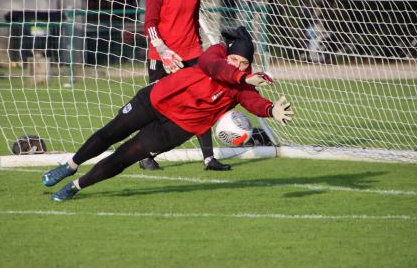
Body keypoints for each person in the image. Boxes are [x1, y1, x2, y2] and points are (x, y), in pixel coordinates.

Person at [41, 26, 294, 201]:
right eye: (236, 59)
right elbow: (214, 67)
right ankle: (70, 165)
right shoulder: (216, 53)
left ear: (250, 64)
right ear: (228, 53)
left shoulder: (242, 83)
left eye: (244, 63)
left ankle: (75, 187)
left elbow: (251, 100)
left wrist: (271, 109)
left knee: (124, 157)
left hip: (176, 128)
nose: (239, 65)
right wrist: (242, 76)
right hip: (156, 99)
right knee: (110, 133)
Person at [141, 0, 230, 171]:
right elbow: (150, 23)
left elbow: (193, 21)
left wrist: (199, 51)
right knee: (159, 108)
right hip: (163, 57)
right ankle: (145, 155)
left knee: (203, 102)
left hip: (192, 54)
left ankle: (209, 159)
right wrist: (163, 51)